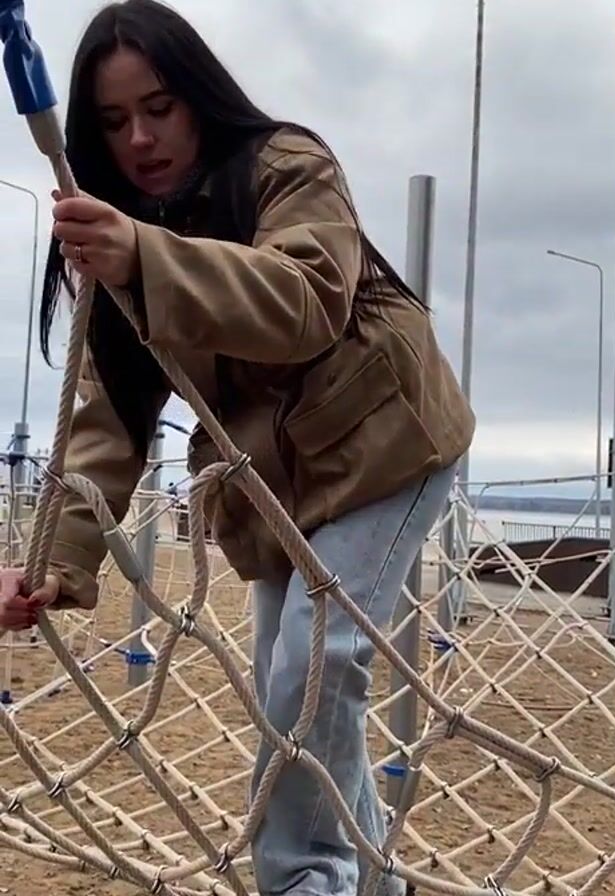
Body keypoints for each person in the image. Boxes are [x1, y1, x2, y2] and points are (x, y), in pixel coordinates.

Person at [0, 1, 475, 894]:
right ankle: (376, 883)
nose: (140, 138)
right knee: (293, 696)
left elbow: (306, 300)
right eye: (113, 121)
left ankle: (304, 881)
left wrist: (147, 255)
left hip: (386, 444)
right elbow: (109, 416)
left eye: (159, 107)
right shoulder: (115, 236)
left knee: (314, 666)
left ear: (199, 96)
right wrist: (53, 561)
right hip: (272, 486)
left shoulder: (286, 165)